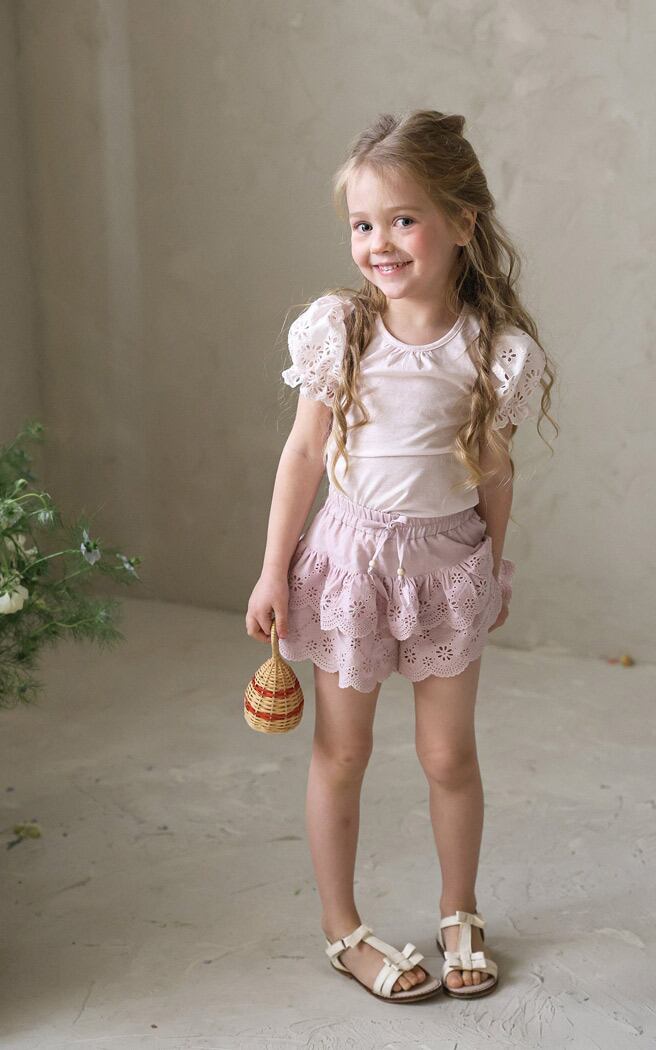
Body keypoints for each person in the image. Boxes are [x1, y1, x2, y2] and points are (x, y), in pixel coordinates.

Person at [246, 109, 557, 1002]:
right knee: (341, 752)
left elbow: (494, 472)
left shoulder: (494, 351)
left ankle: (460, 907)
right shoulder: (338, 330)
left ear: (461, 221)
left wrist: (493, 566)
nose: (378, 243)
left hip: (445, 567)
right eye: (362, 224)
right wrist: (272, 569)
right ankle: (341, 928)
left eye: (403, 219)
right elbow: (304, 454)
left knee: (448, 755)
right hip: (348, 564)